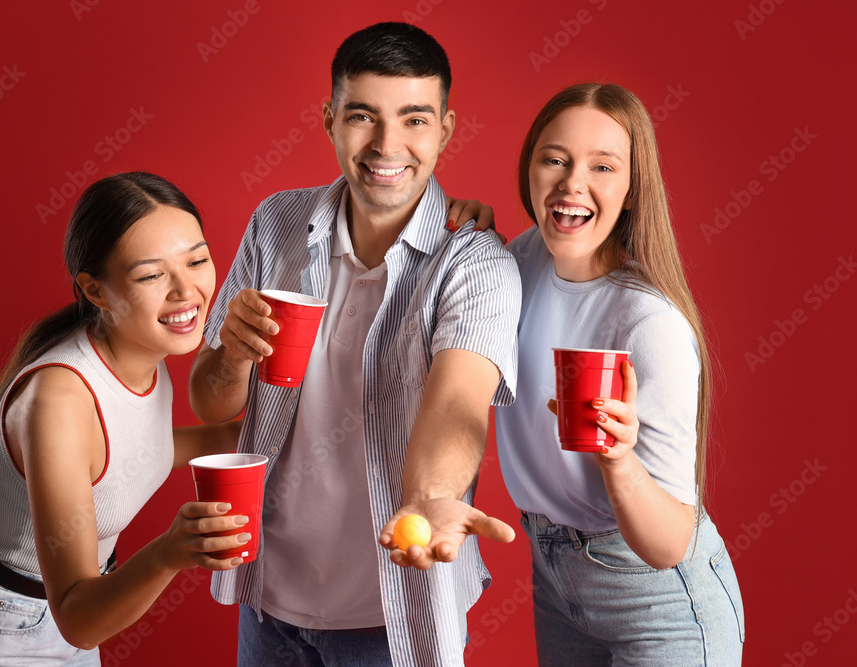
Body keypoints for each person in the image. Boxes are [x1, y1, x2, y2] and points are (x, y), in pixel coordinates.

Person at [189, 22, 521, 667]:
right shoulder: (276, 224)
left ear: (446, 130)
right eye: (363, 116)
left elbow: (459, 401)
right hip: (269, 599)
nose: (386, 145)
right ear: (330, 120)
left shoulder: (475, 263)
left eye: (414, 120)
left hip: (391, 612)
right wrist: (229, 354)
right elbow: (211, 404)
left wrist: (429, 498)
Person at [0, 172, 247, 666]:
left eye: (197, 260)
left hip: (72, 614)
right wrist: (173, 550)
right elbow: (79, 622)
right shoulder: (59, 399)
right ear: (96, 290)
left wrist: (276, 426)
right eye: (151, 275)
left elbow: (132, 450)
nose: (186, 291)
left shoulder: (142, 353)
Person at [492, 83, 745, 664]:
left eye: (602, 167)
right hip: (555, 578)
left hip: (659, 602)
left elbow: (670, 544)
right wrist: (463, 228)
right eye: (554, 158)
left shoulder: (648, 322)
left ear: (632, 191)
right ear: (530, 166)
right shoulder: (516, 261)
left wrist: (618, 460)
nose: (571, 183)